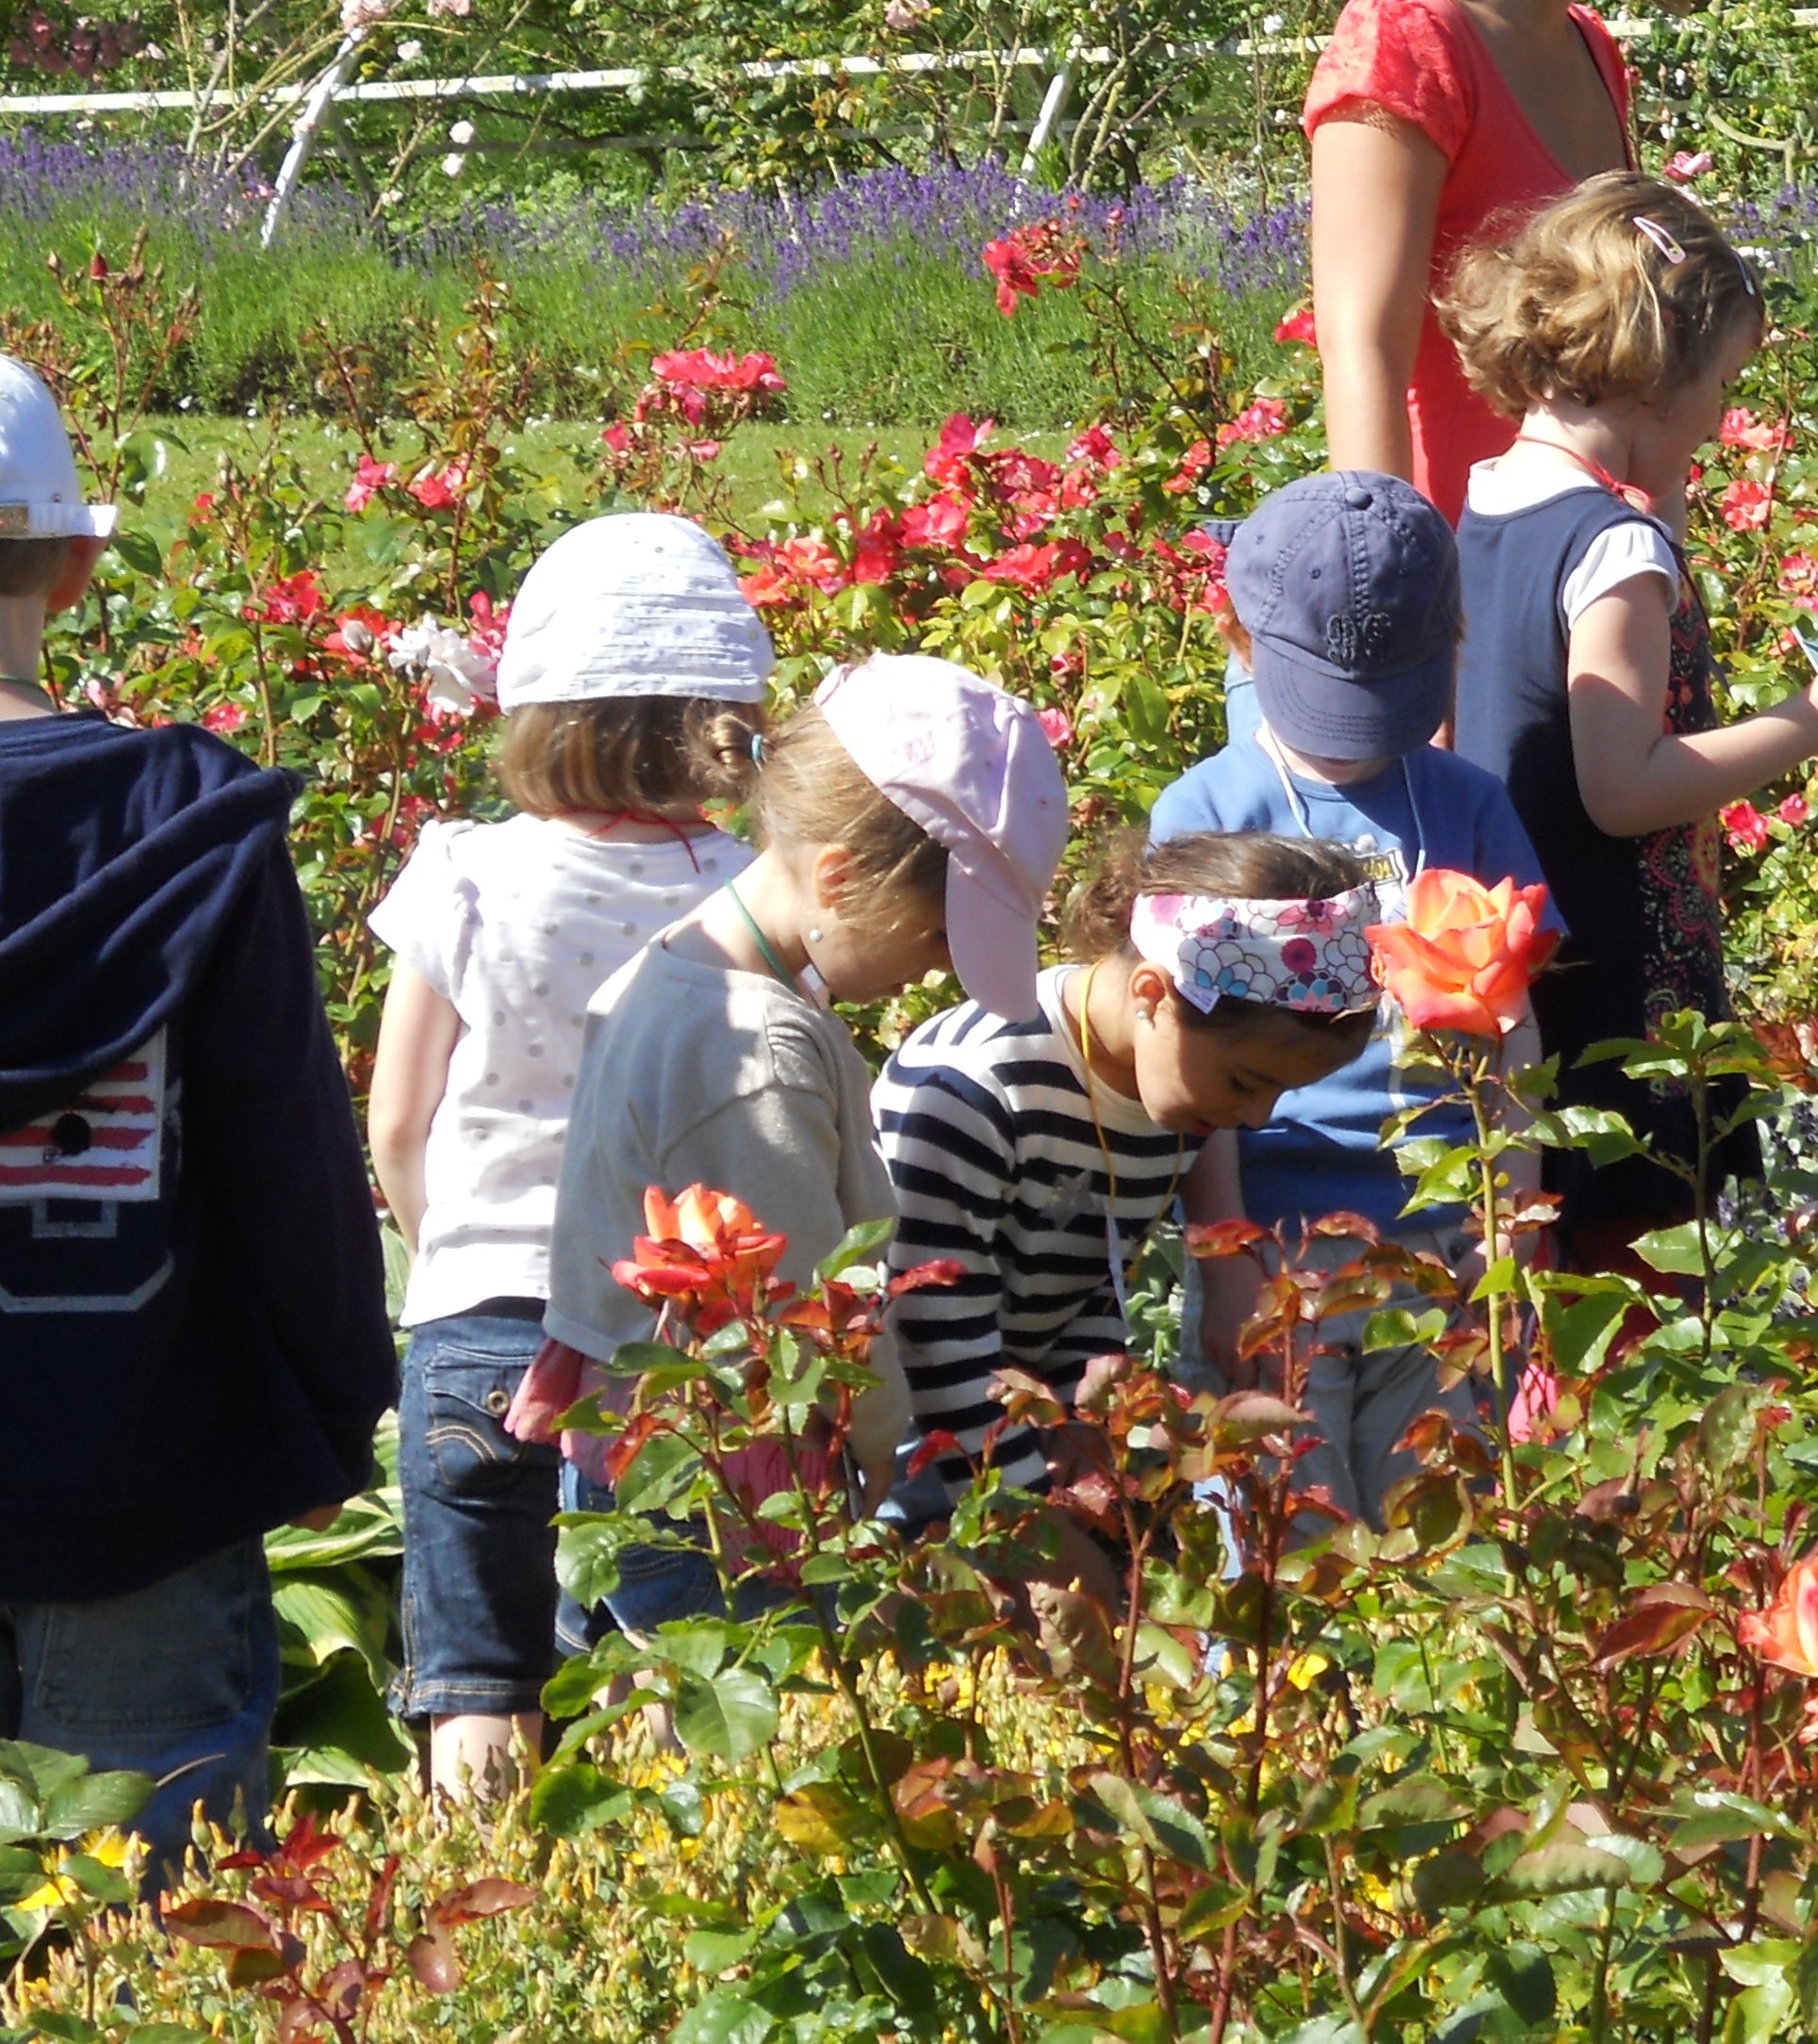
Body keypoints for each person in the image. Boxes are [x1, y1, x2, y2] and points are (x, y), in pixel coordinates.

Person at [0, 356, 391, 1858]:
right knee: (152, 1953)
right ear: (83, 565)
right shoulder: (187, 831)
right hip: (144, 1482)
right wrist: (334, 1413)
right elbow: (287, 1152)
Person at [521, 655, 1067, 1629]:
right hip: (729, 1497)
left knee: (648, 1735)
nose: (936, 971)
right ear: (842, 877)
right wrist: (903, 1461)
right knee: (751, 1742)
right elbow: (820, 1323)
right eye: (941, 938)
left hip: (639, 1463)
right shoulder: (758, 1053)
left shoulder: (669, 969)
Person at [365, 514, 769, 1801]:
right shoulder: (747, 895)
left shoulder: (469, 874)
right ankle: (639, 1933)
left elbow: (394, 1119)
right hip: (661, 1331)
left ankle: (475, 1952)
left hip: (479, 1321)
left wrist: (454, 1259)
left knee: (478, 1693)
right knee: (656, 1661)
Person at [1446, 176, 1818, 1278]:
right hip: (1620, 979)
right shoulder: (1615, 553)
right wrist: (1815, 721)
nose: (1723, 416)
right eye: (1722, 384)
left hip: (1518, 959)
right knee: (1631, 1279)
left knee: (1531, 1259)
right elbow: (1624, 784)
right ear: (1659, 381)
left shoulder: (1490, 500)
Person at [1150, 471, 1560, 1527]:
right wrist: (1226, 1252)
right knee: (1297, 1522)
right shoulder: (1213, 810)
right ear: (1241, 641)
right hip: (1280, 1243)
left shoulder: (1461, 803)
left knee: (1442, 1519)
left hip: (1436, 1241)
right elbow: (1190, 1066)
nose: (1351, 734)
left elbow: (1513, 1028)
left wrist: (1508, 1206)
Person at [1305, 0, 1744, 523]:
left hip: (1578, 556)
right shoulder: (1407, 35)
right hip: (1459, 554)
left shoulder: (1591, 47)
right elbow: (1363, 345)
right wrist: (1395, 585)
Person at [875, 830, 1384, 1548]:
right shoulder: (974, 1091)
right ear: (1153, 993)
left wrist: (1087, 1427)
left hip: (1016, 1437)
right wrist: (1043, 1537)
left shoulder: (1164, 1089)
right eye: (1248, 1084)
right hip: (913, 1462)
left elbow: (1089, 1276)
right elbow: (934, 1345)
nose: (1254, 1117)